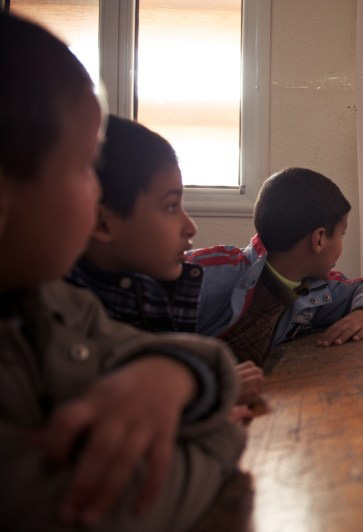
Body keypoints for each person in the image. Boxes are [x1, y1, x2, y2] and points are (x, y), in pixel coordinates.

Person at [0, 14, 243, 531]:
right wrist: (219, 433)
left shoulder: (54, 305)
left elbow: (208, 360)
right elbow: (114, 508)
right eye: (86, 165)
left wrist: (168, 374)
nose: (95, 188)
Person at [65, 115, 265, 414]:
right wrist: (210, 399)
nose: (190, 227)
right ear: (104, 223)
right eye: (171, 206)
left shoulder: (148, 291)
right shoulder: (66, 315)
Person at [188, 168, 363, 367]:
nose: (342, 242)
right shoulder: (210, 272)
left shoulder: (316, 288)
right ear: (319, 239)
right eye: (343, 234)